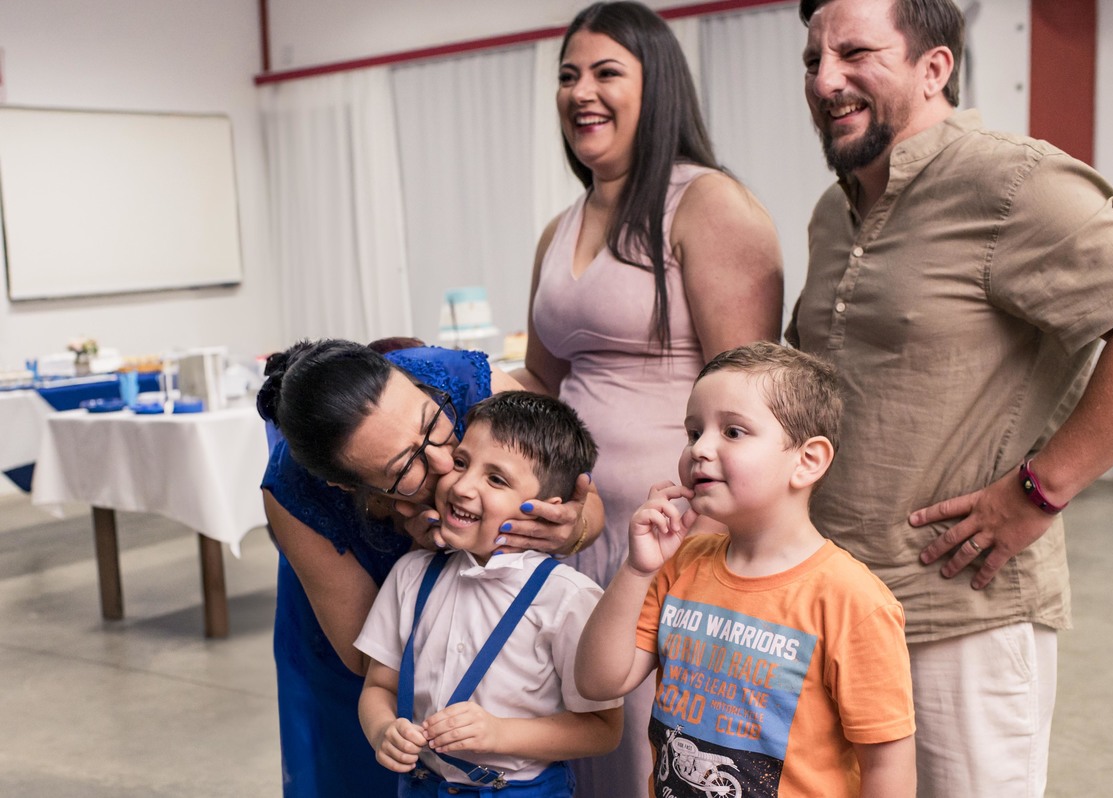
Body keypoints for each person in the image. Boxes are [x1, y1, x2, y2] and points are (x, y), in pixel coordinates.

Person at [787, 0, 1113, 794]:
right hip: (836, 603)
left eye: (855, 53)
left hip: (961, 616)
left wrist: (1041, 490)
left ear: (934, 67)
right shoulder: (832, 213)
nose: (826, 80)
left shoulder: (1011, 181)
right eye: (813, 60)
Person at [512, 3, 785, 792]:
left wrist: (715, 557)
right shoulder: (559, 228)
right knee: (590, 743)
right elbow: (542, 383)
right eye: (567, 76)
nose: (580, 92)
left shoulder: (708, 204)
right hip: (577, 532)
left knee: (662, 759)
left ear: (656, 86)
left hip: (676, 538)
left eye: (606, 73)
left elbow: (751, 401)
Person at [257, 339, 603, 797]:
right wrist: (428, 564)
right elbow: (370, 664)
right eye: (407, 467)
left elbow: (582, 497)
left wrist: (567, 529)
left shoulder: (462, 381)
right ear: (346, 484)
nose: (444, 463)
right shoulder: (296, 491)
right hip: (375, 666)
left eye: (432, 422)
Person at [577, 342, 916, 797]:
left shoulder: (853, 601)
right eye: (693, 432)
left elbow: (888, 767)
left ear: (807, 460)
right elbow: (598, 682)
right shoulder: (680, 565)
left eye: (733, 431)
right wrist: (637, 571)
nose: (700, 449)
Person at [356, 391, 623, 796]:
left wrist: (500, 733)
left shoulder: (568, 598)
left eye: (496, 479)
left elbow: (603, 730)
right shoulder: (411, 574)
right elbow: (379, 686)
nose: (463, 486)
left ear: (544, 508)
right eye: (461, 462)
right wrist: (382, 729)